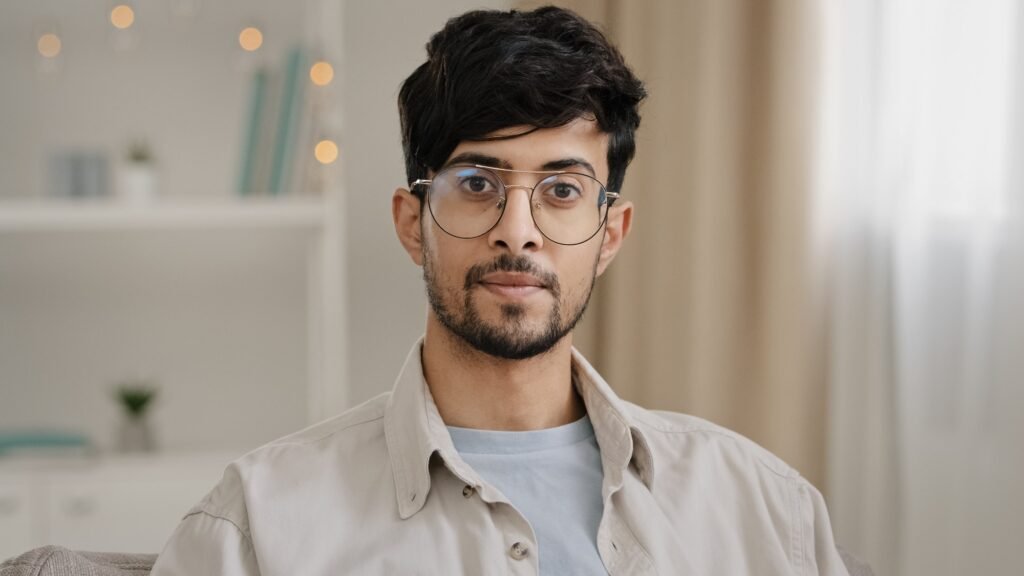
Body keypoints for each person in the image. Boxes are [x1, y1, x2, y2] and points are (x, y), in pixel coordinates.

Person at [151, 6, 851, 575]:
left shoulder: (765, 509)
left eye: (563, 191)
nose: (518, 232)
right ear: (411, 222)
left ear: (610, 234)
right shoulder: (256, 529)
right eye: (478, 184)